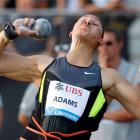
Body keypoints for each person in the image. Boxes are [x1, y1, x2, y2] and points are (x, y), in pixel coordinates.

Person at [0, 15, 140, 140]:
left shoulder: (109, 78)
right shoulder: (44, 64)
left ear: (101, 39)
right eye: (83, 20)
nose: (88, 21)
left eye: (95, 23)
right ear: (71, 32)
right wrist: (8, 34)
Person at [90, 28, 140, 140]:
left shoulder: (133, 73)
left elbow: (133, 111)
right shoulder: (90, 72)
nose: (104, 48)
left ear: (120, 44)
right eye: (101, 44)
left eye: (109, 43)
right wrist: (102, 70)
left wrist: (102, 115)